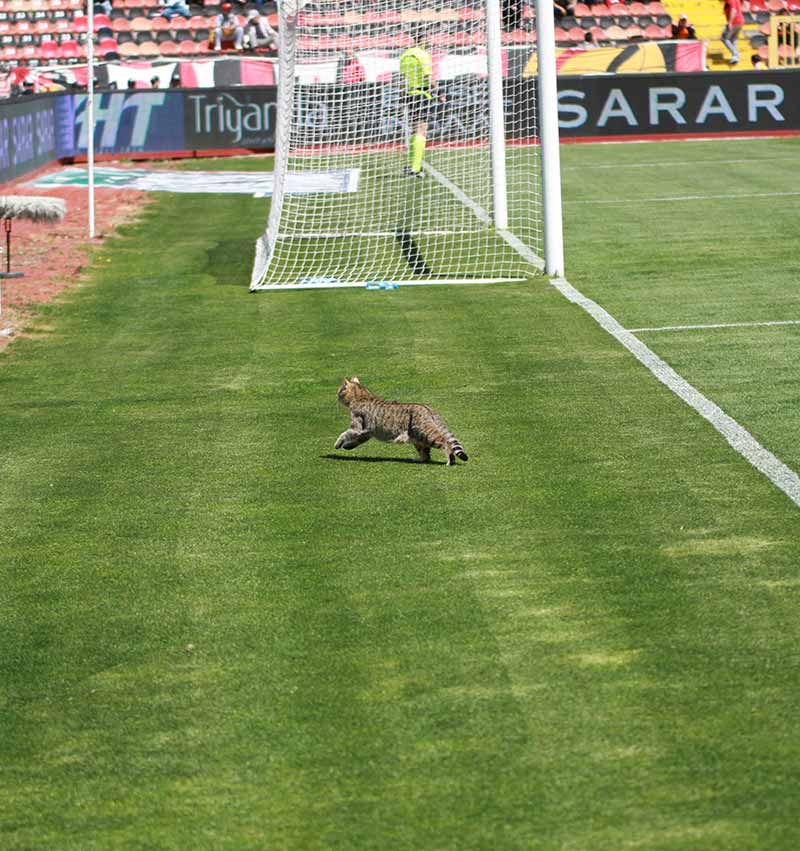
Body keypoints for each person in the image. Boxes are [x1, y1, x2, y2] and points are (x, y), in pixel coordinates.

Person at [398, 29, 442, 178]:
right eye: (428, 37)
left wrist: (403, 94)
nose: (429, 41)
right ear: (422, 39)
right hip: (422, 94)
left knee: (414, 129)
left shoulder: (405, 54)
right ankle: (415, 169)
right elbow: (429, 79)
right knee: (421, 129)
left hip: (409, 94)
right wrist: (440, 93)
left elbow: (401, 79)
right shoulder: (423, 55)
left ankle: (411, 164)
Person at [721, 0, 743, 65]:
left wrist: (730, 22)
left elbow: (734, 10)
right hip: (740, 21)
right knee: (733, 40)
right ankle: (735, 58)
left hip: (734, 22)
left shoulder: (731, 0)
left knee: (724, 38)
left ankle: (735, 53)